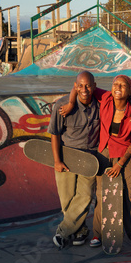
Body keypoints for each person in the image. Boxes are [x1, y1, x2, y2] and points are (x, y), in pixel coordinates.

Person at [60, 75, 131, 252]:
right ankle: (98, 233)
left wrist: (120, 164)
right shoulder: (106, 98)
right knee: (102, 193)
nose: (118, 87)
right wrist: (70, 103)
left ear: (129, 91)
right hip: (104, 153)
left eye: (123, 85)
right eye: (115, 84)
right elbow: (79, 87)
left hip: (126, 156)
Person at [48, 70, 99, 249]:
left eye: (88, 85)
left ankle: (62, 233)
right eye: (80, 85)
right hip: (67, 156)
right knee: (67, 200)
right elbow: (54, 133)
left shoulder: (100, 103)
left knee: (84, 196)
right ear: (75, 86)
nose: (84, 89)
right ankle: (80, 230)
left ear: (94, 86)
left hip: (89, 158)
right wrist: (57, 161)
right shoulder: (62, 106)